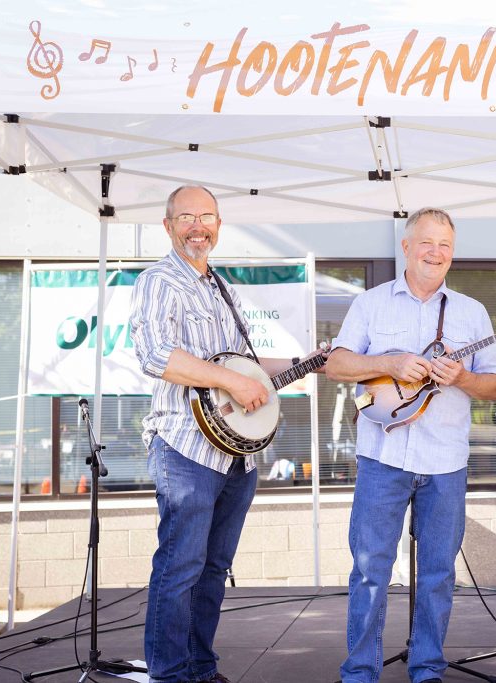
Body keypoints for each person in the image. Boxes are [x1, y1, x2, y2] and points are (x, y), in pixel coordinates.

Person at [130, 185, 320, 683]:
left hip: (236, 456)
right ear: (168, 226)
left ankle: (199, 667)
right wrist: (232, 380)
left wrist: (310, 361)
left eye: (207, 217)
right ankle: (170, 675)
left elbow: (248, 367)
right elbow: (155, 355)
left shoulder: (221, 286)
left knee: (213, 572)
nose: (198, 226)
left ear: (219, 225)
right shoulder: (158, 281)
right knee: (180, 569)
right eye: (187, 217)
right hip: (185, 450)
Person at [326, 207, 496, 683]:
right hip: (382, 459)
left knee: (438, 575)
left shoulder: (471, 311)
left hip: (445, 462)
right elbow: (337, 363)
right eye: (427, 242)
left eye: (445, 245)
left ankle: (427, 668)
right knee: (369, 571)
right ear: (405, 247)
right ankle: (360, 672)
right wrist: (391, 361)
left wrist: (463, 377)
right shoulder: (371, 303)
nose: (436, 252)